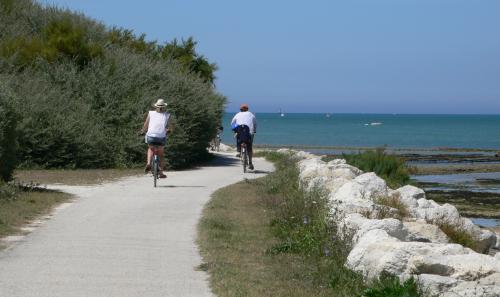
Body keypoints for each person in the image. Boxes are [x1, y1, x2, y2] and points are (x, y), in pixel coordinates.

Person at [141, 98, 172, 178]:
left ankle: (148, 163)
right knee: (161, 155)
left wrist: (143, 131)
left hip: (151, 136)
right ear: (164, 107)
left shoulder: (150, 113)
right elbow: (170, 127)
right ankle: (161, 173)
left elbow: (145, 125)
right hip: (161, 137)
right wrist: (168, 130)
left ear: (156, 106)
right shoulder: (167, 115)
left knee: (150, 148)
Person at [231, 103, 257, 170]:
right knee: (249, 147)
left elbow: (232, 123)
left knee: (238, 137)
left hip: (240, 132)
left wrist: (235, 129)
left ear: (241, 109)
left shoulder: (237, 114)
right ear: (247, 109)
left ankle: (239, 151)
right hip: (249, 133)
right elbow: (255, 124)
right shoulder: (251, 114)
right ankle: (250, 163)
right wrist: (254, 130)